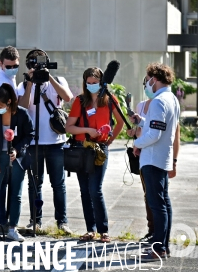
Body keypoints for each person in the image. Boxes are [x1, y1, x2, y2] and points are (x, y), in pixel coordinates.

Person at [65, 66, 124, 244]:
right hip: (81, 149)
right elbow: (69, 127)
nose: (91, 85)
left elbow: (120, 122)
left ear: (101, 82)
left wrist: (110, 140)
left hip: (99, 149)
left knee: (95, 189)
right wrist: (88, 130)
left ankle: (103, 231)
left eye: (95, 83)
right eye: (88, 83)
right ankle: (90, 229)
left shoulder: (110, 100)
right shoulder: (80, 101)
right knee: (84, 191)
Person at [17, 49, 73, 233]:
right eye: (33, 64)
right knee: (35, 183)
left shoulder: (58, 80)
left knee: (58, 184)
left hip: (56, 142)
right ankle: (36, 220)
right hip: (34, 143)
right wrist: (30, 83)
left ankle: (62, 221)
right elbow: (22, 107)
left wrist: (49, 78)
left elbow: (67, 97)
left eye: (40, 63)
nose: (37, 67)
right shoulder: (24, 84)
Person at [131, 63, 179, 260]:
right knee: (163, 204)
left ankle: (158, 248)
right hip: (162, 158)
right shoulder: (172, 99)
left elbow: (154, 135)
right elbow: (157, 126)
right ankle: (163, 246)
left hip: (152, 159)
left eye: (148, 78)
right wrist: (141, 120)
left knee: (157, 205)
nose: (147, 83)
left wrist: (137, 143)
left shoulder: (159, 101)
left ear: (155, 79)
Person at [0, 83, 34, 242]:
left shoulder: (22, 114)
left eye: (0, 105)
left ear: (9, 102)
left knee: (15, 194)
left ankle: (12, 228)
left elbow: (29, 134)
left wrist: (17, 150)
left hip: (17, 159)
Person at [0, 46, 20, 228]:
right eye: (8, 66)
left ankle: (6, 221)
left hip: (11, 138)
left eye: (15, 65)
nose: (12, 69)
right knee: (0, 187)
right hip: (2, 139)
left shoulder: (11, 77)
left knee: (11, 187)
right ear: (0, 64)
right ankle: (1, 221)